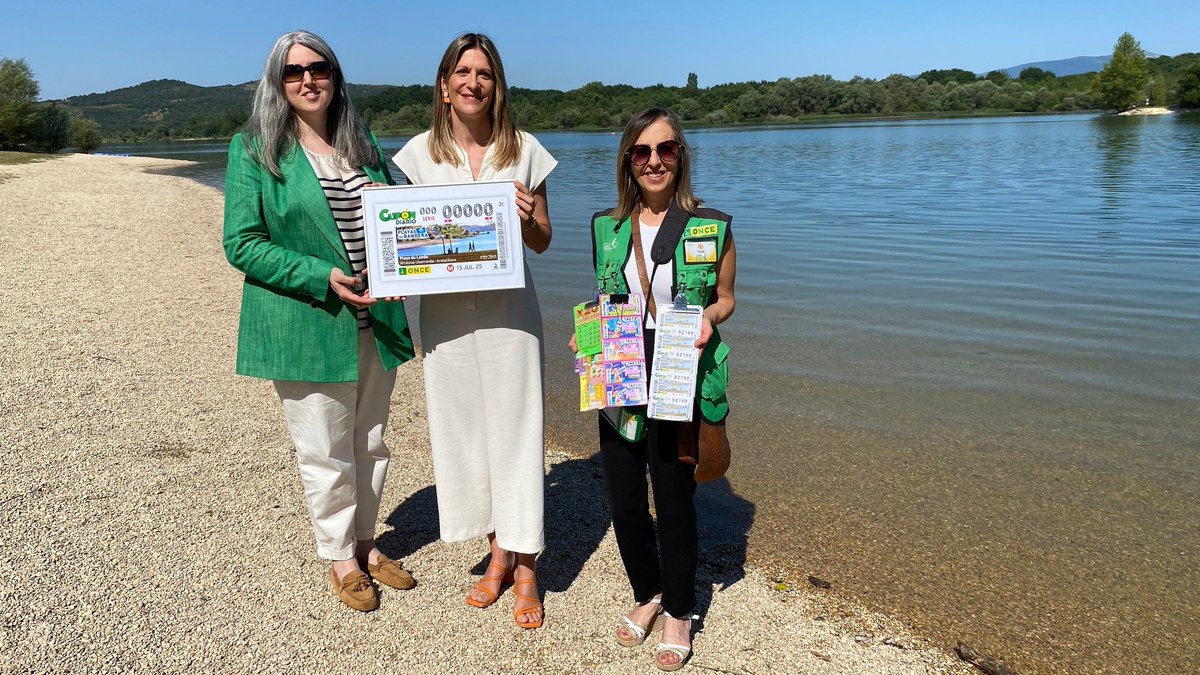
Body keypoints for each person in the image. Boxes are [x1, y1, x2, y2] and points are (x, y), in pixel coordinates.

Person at [222, 30, 417, 613]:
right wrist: (319, 274)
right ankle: (339, 557)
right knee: (325, 450)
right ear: (277, 82)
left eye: (319, 67)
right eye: (293, 71)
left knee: (371, 442)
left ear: (335, 75)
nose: (307, 79)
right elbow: (241, 243)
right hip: (308, 319)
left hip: (377, 319)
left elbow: (401, 216)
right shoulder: (255, 149)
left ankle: (366, 542)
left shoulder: (364, 142)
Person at [391, 33, 555, 630]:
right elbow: (402, 239)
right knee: (465, 432)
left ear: (497, 85)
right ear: (443, 86)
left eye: (484, 73)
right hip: (445, 318)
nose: (473, 82)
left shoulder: (526, 150)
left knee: (518, 430)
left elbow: (543, 240)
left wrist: (528, 217)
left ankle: (527, 567)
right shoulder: (416, 156)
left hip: (512, 314)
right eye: (462, 72)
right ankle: (496, 555)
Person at [575, 107, 736, 670]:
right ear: (627, 161)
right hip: (619, 365)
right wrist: (587, 337)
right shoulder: (605, 225)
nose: (654, 161)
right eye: (642, 152)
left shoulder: (711, 225)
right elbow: (605, 297)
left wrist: (709, 317)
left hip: (677, 367)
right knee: (623, 499)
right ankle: (647, 593)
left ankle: (679, 610)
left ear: (680, 156)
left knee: (673, 499)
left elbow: (726, 297)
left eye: (665, 149)